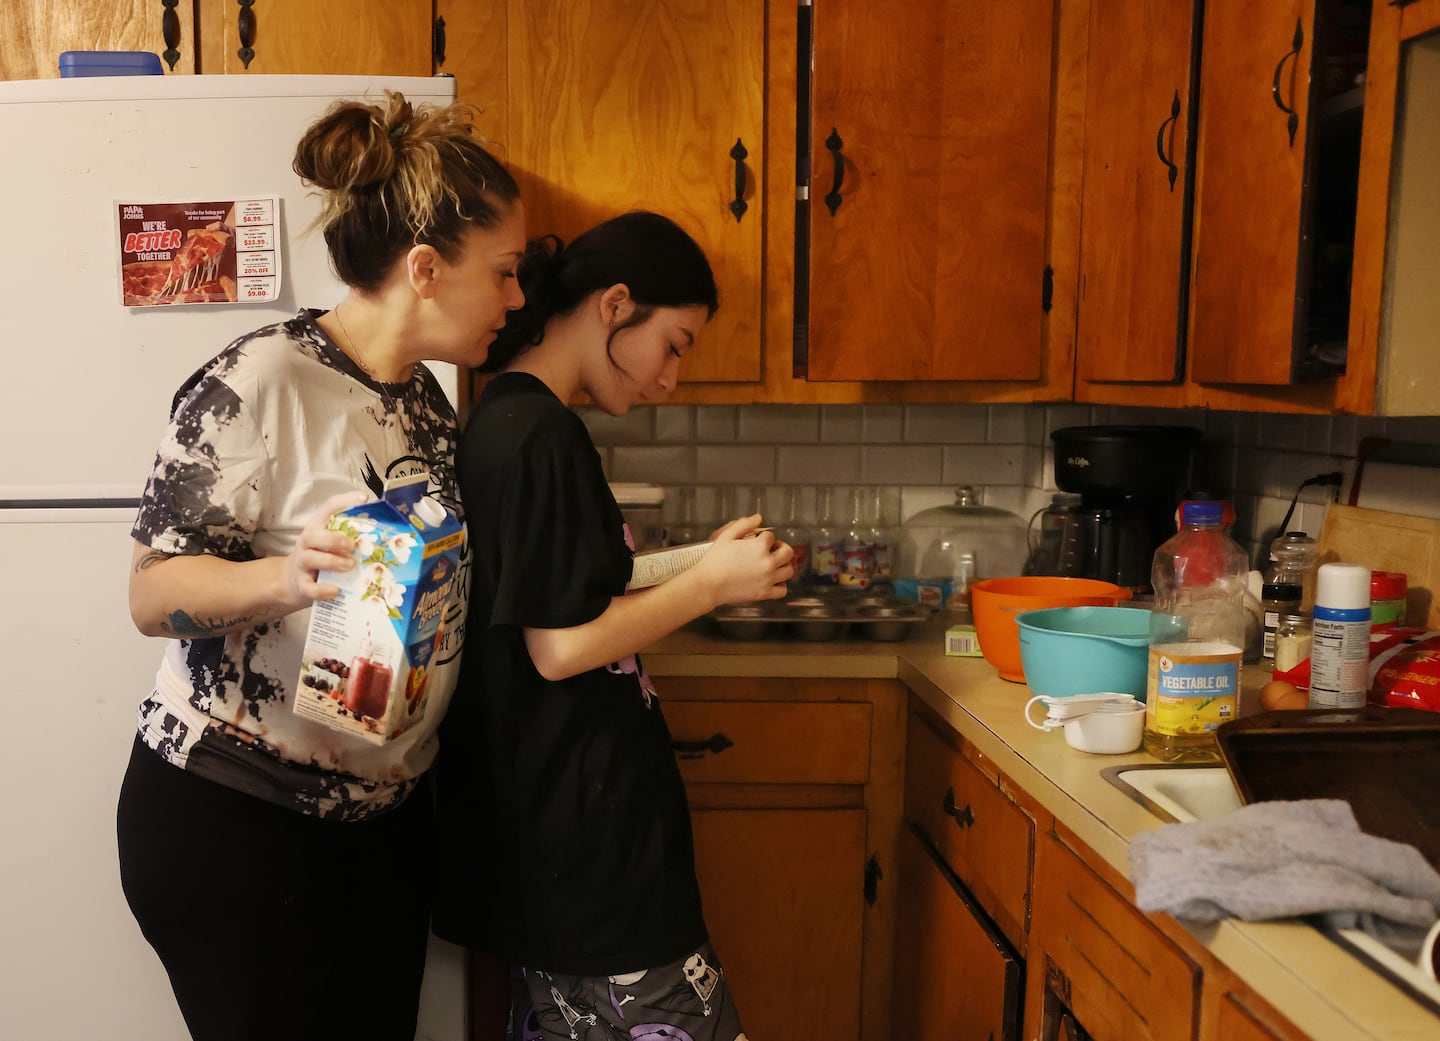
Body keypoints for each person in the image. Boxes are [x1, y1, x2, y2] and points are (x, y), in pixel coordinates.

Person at [115, 91, 525, 1041]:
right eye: (503, 274)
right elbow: (151, 593)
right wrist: (284, 578)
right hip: (237, 825)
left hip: (379, 826)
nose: (514, 298)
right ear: (426, 269)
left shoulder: (422, 395)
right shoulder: (263, 378)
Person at [433, 211, 792, 1041]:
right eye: (674, 343)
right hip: (587, 859)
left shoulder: (513, 419)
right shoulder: (538, 435)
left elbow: (569, 587)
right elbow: (559, 646)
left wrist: (702, 558)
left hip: (564, 846)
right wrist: (710, 585)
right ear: (615, 305)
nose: (670, 377)